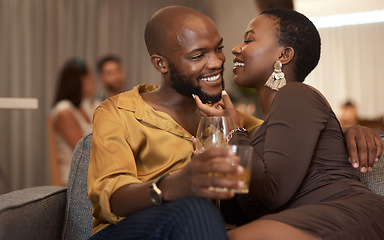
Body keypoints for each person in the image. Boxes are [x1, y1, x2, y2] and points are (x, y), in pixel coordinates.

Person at [88, 6, 382, 239]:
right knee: (194, 210)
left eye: (218, 48)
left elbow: (291, 139)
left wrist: (346, 131)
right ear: (161, 64)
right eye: (198, 55)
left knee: (204, 215)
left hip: (209, 229)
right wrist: (173, 186)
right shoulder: (118, 111)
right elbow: (109, 197)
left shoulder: (231, 120)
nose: (218, 61)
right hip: (136, 228)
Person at [194, 8, 384, 239]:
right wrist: (210, 171)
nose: (236, 49)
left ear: (283, 56)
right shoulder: (255, 136)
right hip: (288, 222)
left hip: (345, 214)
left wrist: (234, 129)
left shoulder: (296, 94)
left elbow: (274, 191)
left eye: (248, 40)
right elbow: (236, 213)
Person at [51, 58, 98, 185]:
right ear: (80, 80)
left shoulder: (85, 106)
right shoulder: (64, 111)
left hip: (93, 171)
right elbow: (84, 150)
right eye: (90, 78)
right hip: (76, 176)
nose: (93, 82)